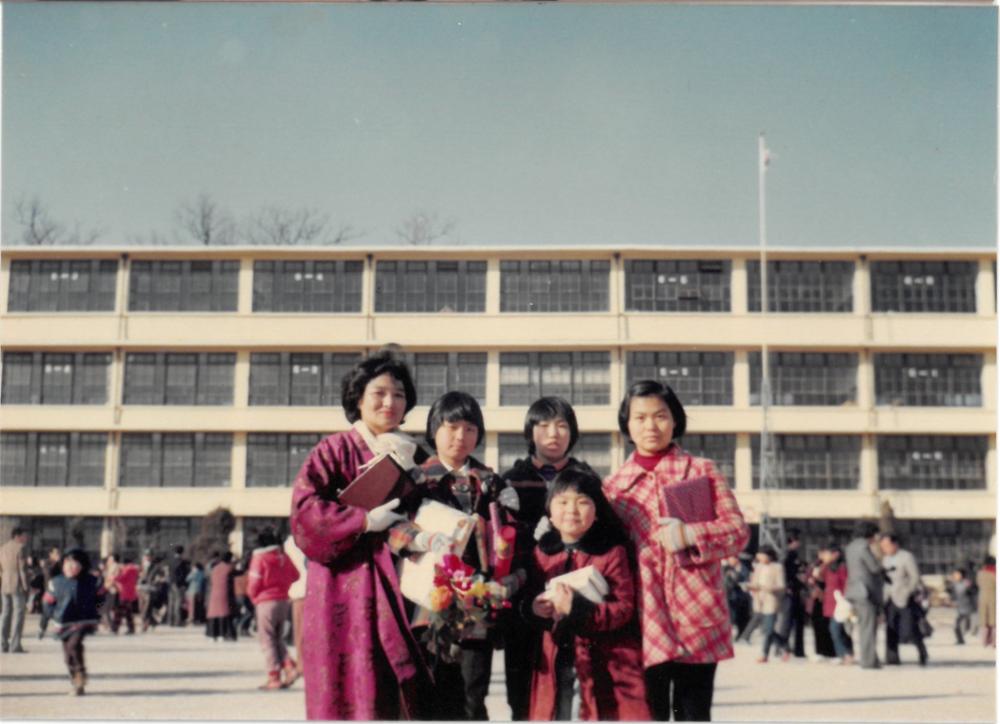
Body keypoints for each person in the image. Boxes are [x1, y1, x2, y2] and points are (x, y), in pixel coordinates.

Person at [289, 349, 434, 720]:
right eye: (380, 393)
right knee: (349, 683)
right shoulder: (332, 450)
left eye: (399, 394)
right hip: (344, 589)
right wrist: (364, 521)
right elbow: (305, 514)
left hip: (405, 587)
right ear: (358, 398)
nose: (390, 402)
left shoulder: (418, 457)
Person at [604, 380, 749, 721]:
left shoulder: (701, 471)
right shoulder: (613, 489)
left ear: (675, 419)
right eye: (640, 418)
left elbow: (738, 533)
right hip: (643, 618)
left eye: (660, 416)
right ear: (627, 423)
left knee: (694, 713)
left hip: (696, 615)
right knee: (648, 713)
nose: (651, 426)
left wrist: (689, 534)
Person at [392, 390, 521, 720]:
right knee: (425, 693)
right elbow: (391, 531)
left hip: (475, 603)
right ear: (434, 429)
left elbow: (507, 541)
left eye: (469, 429)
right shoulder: (415, 479)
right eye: (451, 427)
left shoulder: (491, 481)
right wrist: (422, 539)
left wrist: (512, 514)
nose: (460, 437)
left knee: (471, 696)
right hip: (424, 602)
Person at [524, 465, 649, 720]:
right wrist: (534, 609)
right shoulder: (542, 553)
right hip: (555, 656)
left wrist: (578, 609)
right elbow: (530, 599)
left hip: (605, 661)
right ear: (550, 510)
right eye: (563, 501)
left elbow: (623, 608)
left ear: (597, 511)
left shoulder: (611, 552)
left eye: (582, 502)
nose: (571, 510)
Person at [500, 396, 587, 720]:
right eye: (544, 425)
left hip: (571, 602)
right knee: (521, 697)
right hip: (524, 604)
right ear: (530, 431)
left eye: (563, 425)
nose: (554, 433)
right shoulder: (510, 480)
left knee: (566, 695)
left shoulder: (585, 478)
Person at [42, 549, 105, 696]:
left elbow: (102, 598)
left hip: (83, 620)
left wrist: (96, 612)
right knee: (67, 655)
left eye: (75, 563)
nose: (70, 567)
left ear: (82, 565)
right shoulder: (56, 582)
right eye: (67, 563)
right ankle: (75, 680)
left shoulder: (91, 581)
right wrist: (50, 616)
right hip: (63, 622)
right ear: (62, 565)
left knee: (74, 645)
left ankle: (80, 675)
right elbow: (47, 602)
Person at [247, 528, 300, 690]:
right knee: (277, 638)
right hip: (283, 600)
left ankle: (274, 676)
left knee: (267, 640)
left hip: (265, 602)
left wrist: (254, 597)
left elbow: (254, 584)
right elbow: (296, 575)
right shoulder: (283, 557)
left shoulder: (259, 558)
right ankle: (289, 666)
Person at [879, 533, 928, 666]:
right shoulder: (884, 559)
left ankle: (921, 651)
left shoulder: (906, 557)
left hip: (904, 597)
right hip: (889, 598)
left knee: (909, 628)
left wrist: (908, 591)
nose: (885, 548)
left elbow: (915, 576)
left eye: (887, 545)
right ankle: (892, 658)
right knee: (890, 628)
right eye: (882, 546)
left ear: (895, 544)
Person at [844, 521, 883, 669]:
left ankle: (870, 657)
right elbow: (874, 567)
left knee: (863, 627)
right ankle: (869, 660)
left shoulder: (850, 547)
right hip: (865, 591)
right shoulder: (864, 547)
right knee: (868, 627)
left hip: (853, 590)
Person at [747, 546, 787, 664]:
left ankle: (764, 654)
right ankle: (785, 646)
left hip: (771, 600)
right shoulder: (758, 567)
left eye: (762, 555)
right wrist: (750, 586)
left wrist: (768, 588)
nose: (760, 558)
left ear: (769, 555)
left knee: (768, 629)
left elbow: (781, 585)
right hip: (759, 601)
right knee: (766, 629)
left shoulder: (777, 567)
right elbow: (754, 582)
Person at [821, 544, 853, 665]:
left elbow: (846, 584)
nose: (824, 556)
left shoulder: (842, 568)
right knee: (840, 630)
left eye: (827, 553)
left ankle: (843, 653)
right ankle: (848, 653)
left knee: (835, 629)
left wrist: (846, 600)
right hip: (830, 601)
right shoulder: (828, 567)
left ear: (835, 554)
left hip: (840, 602)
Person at [0, 527, 30, 653]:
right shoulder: (20, 548)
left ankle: (3, 644)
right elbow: (22, 569)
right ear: (17, 536)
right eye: (24, 535)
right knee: (19, 614)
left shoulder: (2, 548)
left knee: (5, 613)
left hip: (5, 583)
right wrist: (26, 586)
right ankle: (15, 645)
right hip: (17, 583)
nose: (26, 538)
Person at [806, 544, 837, 661]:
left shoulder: (831, 566)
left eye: (825, 553)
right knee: (817, 624)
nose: (822, 556)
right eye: (821, 553)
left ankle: (830, 651)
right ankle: (819, 650)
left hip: (825, 598)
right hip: (815, 598)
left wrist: (817, 579)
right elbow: (808, 577)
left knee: (826, 625)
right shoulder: (816, 565)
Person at [778, 530, 807, 658]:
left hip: (797, 590)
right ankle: (782, 646)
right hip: (790, 591)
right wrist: (788, 585)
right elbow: (784, 573)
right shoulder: (787, 555)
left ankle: (798, 649)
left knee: (798, 621)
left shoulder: (794, 555)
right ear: (793, 541)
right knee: (787, 621)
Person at [283, 534, 307, 683]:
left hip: (300, 592)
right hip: (319, 591)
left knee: (300, 635)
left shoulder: (291, 542)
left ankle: (301, 666)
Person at [205, 552, 237, 641]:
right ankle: (224, 633)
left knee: (214, 612)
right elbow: (237, 574)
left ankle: (212, 634)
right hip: (225, 593)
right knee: (224, 612)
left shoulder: (214, 568)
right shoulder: (229, 568)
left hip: (214, 594)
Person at [37, 546, 63, 639]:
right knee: (46, 612)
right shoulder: (47, 563)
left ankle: (59, 631)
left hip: (60, 591)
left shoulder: (61, 563)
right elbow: (48, 574)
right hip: (50, 591)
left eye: (58, 553)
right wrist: (56, 563)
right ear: (50, 554)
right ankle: (42, 629)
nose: (58, 555)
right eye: (56, 553)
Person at [947, 566, 976, 645]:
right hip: (960, 608)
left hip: (968, 608)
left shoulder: (967, 583)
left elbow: (973, 593)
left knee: (963, 624)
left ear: (962, 575)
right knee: (957, 625)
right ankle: (960, 640)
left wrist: (970, 587)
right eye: (954, 574)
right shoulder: (954, 584)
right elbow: (952, 594)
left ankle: (963, 637)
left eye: (957, 574)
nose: (955, 576)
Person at [111, 555, 139, 635]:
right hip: (131, 592)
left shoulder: (127, 569)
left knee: (119, 611)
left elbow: (121, 578)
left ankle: (115, 627)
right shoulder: (134, 570)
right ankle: (131, 628)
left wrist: (114, 577)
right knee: (128, 612)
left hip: (125, 593)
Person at [166, 545, 191, 626]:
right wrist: (184, 584)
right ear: (182, 552)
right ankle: (177, 621)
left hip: (171, 583)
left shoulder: (170, 561)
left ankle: (170, 621)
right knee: (178, 603)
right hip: (179, 584)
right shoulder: (182, 562)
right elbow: (184, 574)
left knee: (171, 603)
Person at [976, 555, 996, 647]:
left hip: (982, 598)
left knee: (984, 620)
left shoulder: (980, 574)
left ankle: (985, 641)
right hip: (994, 597)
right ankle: (995, 641)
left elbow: (978, 584)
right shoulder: (995, 573)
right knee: (994, 621)